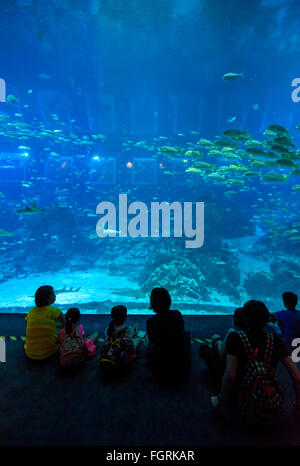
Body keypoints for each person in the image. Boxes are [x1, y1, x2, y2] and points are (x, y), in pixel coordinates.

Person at [211, 300, 300, 424]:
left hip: (241, 394)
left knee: (205, 351)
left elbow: (231, 374)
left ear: (244, 318)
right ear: (266, 319)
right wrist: (298, 405)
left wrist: (220, 399)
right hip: (271, 399)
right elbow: (297, 377)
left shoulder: (235, 337)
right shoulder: (275, 340)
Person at [146, 288, 190, 380]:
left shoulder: (151, 321)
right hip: (180, 363)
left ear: (153, 303)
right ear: (169, 300)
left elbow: (152, 341)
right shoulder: (177, 314)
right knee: (187, 335)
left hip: (160, 365)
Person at [199, 307, 245, 383]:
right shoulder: (265, 337)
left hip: (230, 373)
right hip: (248, 374)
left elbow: (221, 353)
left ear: (235, 321)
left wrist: (218, 342)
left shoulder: (233, 334)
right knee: (216, 339)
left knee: (204, 348)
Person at [25, 285, 65, 360]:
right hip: (50, 352)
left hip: (30, 354)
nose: (55, 296)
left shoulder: (31, 312)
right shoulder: (55, 310)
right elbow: (67, 325)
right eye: (53, 294)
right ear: (48, 298)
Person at [100, 305, 141, 373]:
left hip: (109, 355)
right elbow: (131, 349)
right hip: (119, 359)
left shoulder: (108, 329)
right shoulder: (127, 332)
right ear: (125, 318)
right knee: (138, 340)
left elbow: (107, 341)